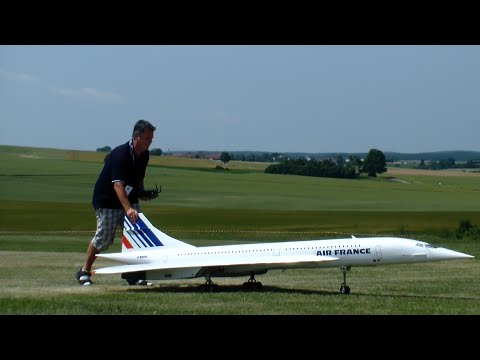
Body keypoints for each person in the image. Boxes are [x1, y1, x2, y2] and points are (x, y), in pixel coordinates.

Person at [76, 119, 156, 285]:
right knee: (104, 237)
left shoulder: (145, 155)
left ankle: (134, 275)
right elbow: (118, 185)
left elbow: (139, 177)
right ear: (136, 136)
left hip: (129, 199)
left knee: (138, 237)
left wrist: (142, 193)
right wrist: (128, 209)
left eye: (151, 139)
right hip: (108, 200)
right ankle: (84, 271)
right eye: (147, 138)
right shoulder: (120, 154)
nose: (150, 142)